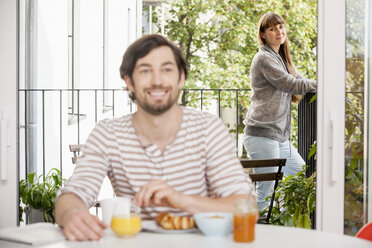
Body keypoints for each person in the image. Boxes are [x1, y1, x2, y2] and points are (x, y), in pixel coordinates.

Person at [55, 34, 255, 241]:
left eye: (167, 69)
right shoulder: (108, 133)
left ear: (181, 78)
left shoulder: (208, 128)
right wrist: (72, 215)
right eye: (145, 71)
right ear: (129, 82)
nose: (157, 81)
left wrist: (179, 200)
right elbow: (71, 196)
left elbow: (246, 205)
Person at [242, 12, 317, 211]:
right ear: (263, 34)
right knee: (266, 191)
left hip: (279, 137)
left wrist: (319, 84)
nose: (278, 31)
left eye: (281, 27)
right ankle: (255, 234)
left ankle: (281, 222)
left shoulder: (282, 59)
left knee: (299, 174)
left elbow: (300, 79)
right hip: (262, 134)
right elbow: (291, 84)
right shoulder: (264, 58)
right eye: (272, 29)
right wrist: (324, 84)